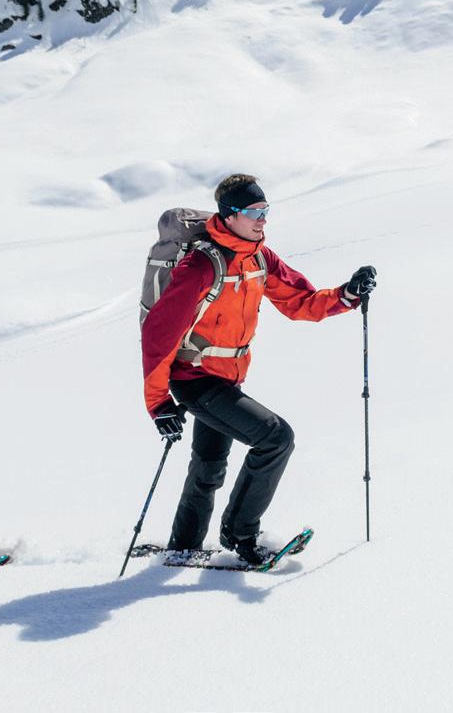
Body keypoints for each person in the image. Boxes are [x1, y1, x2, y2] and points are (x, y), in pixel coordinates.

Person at [141, 174, 376, 565]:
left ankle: (183, 546)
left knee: (209, 465)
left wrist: (346, 295)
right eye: (253, 212)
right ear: (229, 215)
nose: (262, 219)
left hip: (227, 377)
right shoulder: (201, 265)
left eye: (265, 210)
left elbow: (300, 301)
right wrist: (158, 403)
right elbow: (159, 335)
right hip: (195, 379)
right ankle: (240, 537)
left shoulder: (259, 258)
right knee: (275, 438)